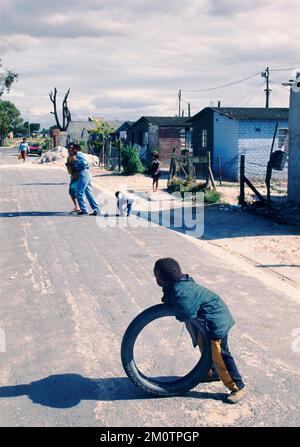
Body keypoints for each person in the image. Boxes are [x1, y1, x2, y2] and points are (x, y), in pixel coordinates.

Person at [153, 258, 246, 404]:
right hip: (209, 321)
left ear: (162, 280)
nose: (155, 280)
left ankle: (237, 387)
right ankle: (212, 372)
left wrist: (177, 312)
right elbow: (174, 297)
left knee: (220, 355)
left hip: (216, 323)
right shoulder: (182, 283)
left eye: (156, 277)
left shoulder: (181, 291)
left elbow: (186, 313)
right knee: (205, 346)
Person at [68, 142, 100, 216]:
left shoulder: (78, 154)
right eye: (70, 148)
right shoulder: (73, 155)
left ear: (76, 148)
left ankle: (84, 210)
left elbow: (85, 164)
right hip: (84, 174)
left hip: (83, 173)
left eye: (72, 148)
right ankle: (96, 209)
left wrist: (75, 161)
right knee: (88, 193)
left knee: (79, 192)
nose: (70, 149)